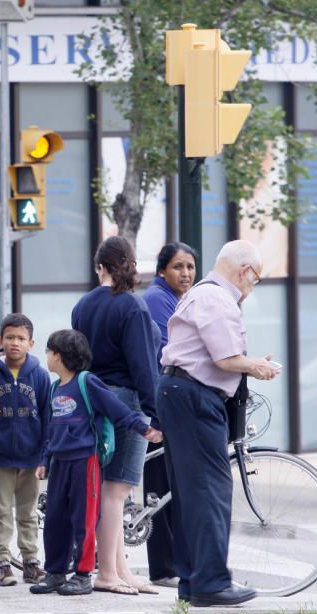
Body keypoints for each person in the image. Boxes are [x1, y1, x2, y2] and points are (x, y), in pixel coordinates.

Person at [157, 240, 280, 607]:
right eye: (255, 279)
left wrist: (250, 363)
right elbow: (226, 358)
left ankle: (193, 580)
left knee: (189, 492)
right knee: (210, 489)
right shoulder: (216, 298)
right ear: (244, 272)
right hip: (195, 395)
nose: (252, 287)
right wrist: (256, 364)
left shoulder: (202, 293)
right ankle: (210, 582)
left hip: (181, 391)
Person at [30, 330, 162, 596]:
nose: (46, 356)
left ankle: (82, 574)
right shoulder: (56, 388)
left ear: (58, 355)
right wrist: (45, 459)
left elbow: (117, 409)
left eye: (48, 351)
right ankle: (55, 572)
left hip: (84, 462)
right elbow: (51, 430)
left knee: (84, 519)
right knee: (55, 519)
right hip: (60, 464)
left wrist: (143, 429)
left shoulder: (86, 382)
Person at [71, 235, 160, 595]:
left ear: (100, 267)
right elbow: (144, 368)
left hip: (91, 397)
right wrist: (155, 414)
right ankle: (107, 572)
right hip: (126, 402)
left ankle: (121, 568)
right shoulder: (132, 307)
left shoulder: (82, 306)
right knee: (117, 488)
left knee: (108, 486)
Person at [141, 242, 198, 589]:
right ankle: (162, 566)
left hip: (165, 403)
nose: (186, 273)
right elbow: (168, 353)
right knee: (160, 486)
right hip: (159, 406)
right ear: (162, 270)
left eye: (190, 267)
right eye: (178, 267)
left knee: (167, 485)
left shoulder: (174, 300)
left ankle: (169, 564)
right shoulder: (158, 301)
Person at [0, 313, 49, 586]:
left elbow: (48, 416)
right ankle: (1, 561)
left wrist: (45, 455)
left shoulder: (40, 376)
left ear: (31, 343)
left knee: (28, 512)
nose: (15, 343)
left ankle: (31, 561)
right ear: (0, 340)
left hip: (31, 458)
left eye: (21, 339)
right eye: (10, 337)